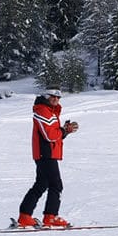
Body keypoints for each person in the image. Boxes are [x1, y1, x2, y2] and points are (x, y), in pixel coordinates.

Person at [17, 88, 78, 228]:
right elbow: (49, 135)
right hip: (46, 154)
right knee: (56, 185)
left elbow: (54, 134)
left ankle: (25, 216)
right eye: (53, 96)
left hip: (47, 153)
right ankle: (50, 216)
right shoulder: (43, 111)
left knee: (41, 184)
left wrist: (65, 131)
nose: (56, 99)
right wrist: (63, 130)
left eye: (58, 97)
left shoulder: (49, 111)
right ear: (46, 96)